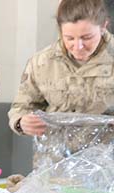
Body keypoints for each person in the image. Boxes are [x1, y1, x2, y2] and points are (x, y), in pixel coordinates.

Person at [8, 0, 114, 137]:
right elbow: (21, 106)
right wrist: (22, 122)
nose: (78, 46)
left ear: (103, 26)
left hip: (107, 154)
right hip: (55, 155)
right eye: (69, 38)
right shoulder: (42, 63)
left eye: (87, 37)